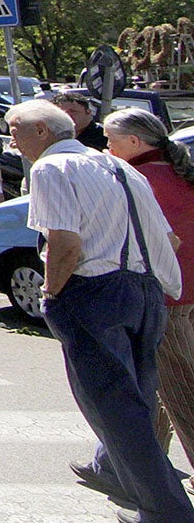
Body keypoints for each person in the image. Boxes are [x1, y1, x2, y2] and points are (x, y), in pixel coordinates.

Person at [10, 97, 194, 523]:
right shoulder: (121, 169)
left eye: (15, 131)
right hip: (147, 292)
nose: (11, 142)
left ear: (41, 132)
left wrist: (51, 294)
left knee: (116, 406)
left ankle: (170, 517)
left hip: (96, 292)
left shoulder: (51, 170)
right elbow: (167, 239)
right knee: (137, 394)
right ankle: (110, 466)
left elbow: (64, 243)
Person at [103, 108, 194, 475]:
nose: (106, 147)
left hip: (167, 298)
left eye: (110, 140)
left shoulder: (137, 179)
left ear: (134, 142)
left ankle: (134, 469)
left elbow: (159, 244)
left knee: (181, 391)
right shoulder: (177, 172)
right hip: (185, 293)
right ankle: (133, 468)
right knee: (154, 383)